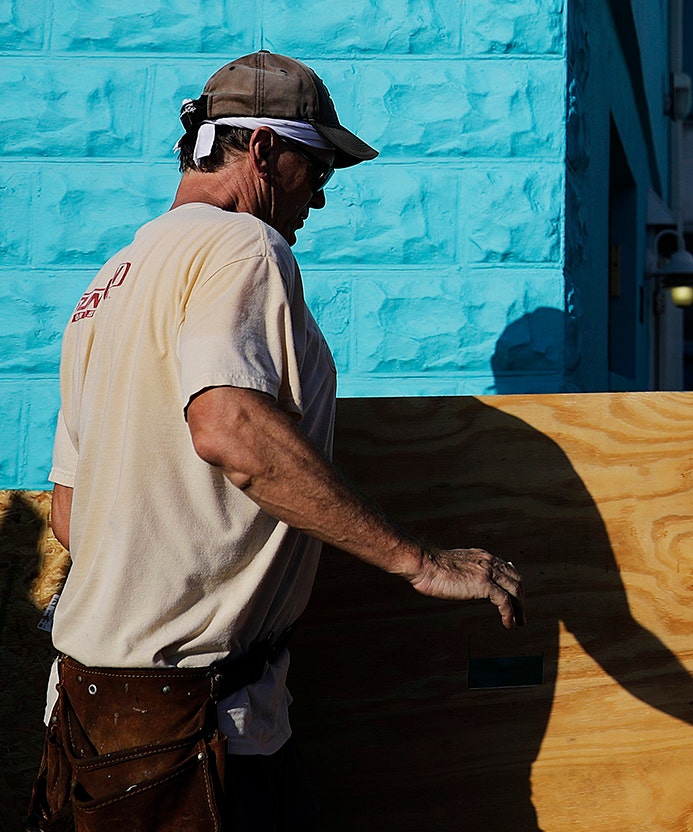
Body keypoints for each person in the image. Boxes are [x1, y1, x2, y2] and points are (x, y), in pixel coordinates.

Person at [29, 51, 523, 831]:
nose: (320, 197)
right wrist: (420, 562)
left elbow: (68, 514)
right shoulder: (243, 248)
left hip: (94, 719)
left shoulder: (107, 285)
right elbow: (231, 428)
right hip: (194, 731)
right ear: (261, 151)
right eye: (316, 164)